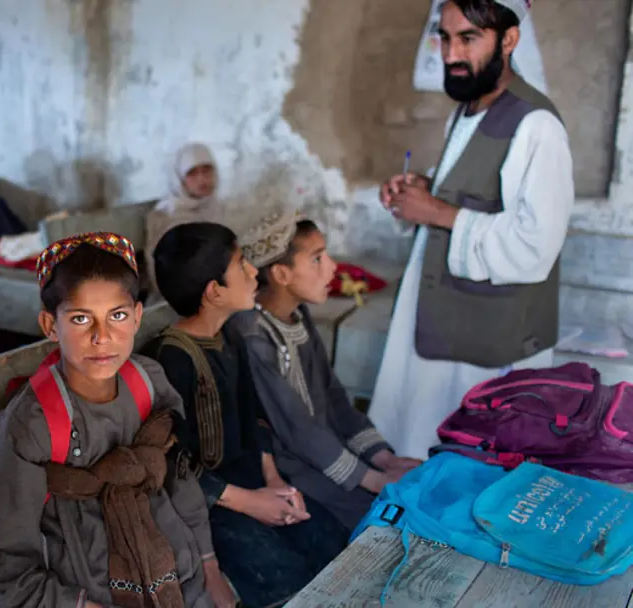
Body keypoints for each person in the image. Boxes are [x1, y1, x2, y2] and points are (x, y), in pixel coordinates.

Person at [0, 232, 235, 608]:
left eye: (117, 316)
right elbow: (6, 568)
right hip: (89, 593)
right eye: (81, 319)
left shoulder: (149, 383)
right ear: (50, 325)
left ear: (136, 318)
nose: (102, 337)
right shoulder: (34, 424)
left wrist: (209, 567)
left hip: (179, 575)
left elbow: (179, 484)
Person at [368, 0, 574, 459]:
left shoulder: (537, 125)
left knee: (468, 473)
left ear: (509, 39)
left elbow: (534, 247)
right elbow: (474, 193)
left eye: (468, 38)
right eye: (444, 37)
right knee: (418, 460)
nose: (450, 54)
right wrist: (423, 191)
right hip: (441, 324)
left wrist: (438, 210)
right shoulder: (463, 114)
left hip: (485, 345)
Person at [142, 222, 348, 608]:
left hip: (254, 483)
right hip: (208, 509)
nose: (255, 271)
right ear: (214, 291)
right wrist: (251, 502)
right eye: (241, 265)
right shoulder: (171, 360)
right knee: (284, 580)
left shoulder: (232, 334)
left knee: (333, 543)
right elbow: (172, 467)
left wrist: (273, 483)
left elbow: (255, 416)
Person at [227, 211, 422, 530]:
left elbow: (333, 396)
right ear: (281, 274)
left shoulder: (296, 314)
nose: (332, 267)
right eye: (317, 259)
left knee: (407, 501)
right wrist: (371, 479)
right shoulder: (253, 334)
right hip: (292, 468)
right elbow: (296, 426)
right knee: (388, 519)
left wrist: (382, 458)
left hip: (327, 454)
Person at [144, 143, 223, 287]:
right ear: (179, 178)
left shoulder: (217, 207)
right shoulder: (166, 215)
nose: (201, 179)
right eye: (192, 173)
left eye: (206, 170)